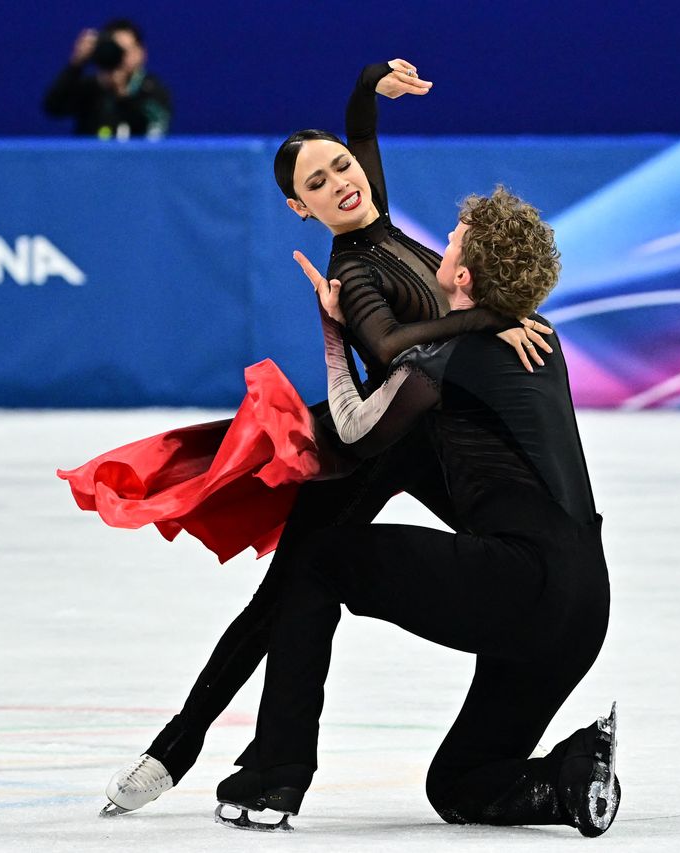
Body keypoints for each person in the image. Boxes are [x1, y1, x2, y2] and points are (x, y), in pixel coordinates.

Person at [72, 60, 552, 815]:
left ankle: (263, 753)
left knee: (522, 552)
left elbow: (363, 130)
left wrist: (369, 84)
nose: (341, 181)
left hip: (431, 442)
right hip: (371, 448)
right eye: (319, 183)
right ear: (300, 208)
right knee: (282, 599)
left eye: (342, 166)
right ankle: (179, 746)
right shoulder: (354, 270)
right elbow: (394, 349)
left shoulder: (380, 219)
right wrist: (490, 317)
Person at [215, 187, 618, 836]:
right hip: (584, 605)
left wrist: (330, 328)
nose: (441, 243)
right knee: (459, 782)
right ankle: (567, 777)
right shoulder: (539, 338)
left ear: (461, 275)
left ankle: (276, 774)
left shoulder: (444, 361)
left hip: (521, 580)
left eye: (453, 239)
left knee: (319, 560)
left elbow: (354, 430)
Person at [43, 19, 173, 139]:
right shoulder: (92, 87)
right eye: (115, 49)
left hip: (137, 161)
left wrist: (122, 94)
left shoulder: (151, 89)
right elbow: (53, 107)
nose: (120, 57)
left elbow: (156, 129)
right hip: (90, 161)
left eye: (125, 50)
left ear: (140, 53)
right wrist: (76, 64)